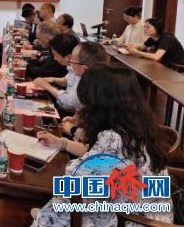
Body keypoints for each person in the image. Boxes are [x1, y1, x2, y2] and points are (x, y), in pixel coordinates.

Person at [33, 62, 172, 227]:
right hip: (154, 216)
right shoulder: (140, 126)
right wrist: (62, 143)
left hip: (131, 220)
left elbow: (75, 178)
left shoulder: (113, 137)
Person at [34, 39, 109, 113]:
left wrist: (47, 86)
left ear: (84, 69)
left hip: (68, 111)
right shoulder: (79, 70)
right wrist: (52, 79)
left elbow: (69, 102)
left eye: (72, 58)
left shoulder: (90, 86)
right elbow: (68, 80)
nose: (69, 61)